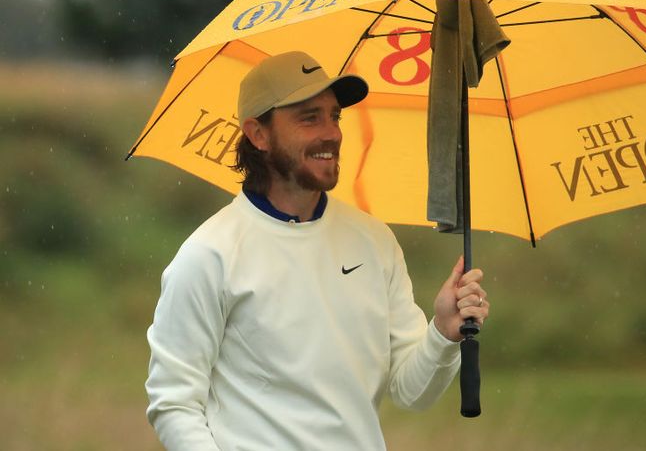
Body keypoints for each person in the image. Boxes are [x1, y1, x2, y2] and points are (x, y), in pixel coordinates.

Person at [145, 51, 490, 450]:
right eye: (309, 118)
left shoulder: (374, 241)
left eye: (334, 116)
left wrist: (444, 333)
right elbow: (173, 404)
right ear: (258, 134)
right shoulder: (209, 255)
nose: (332, 133)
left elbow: (412, 393)